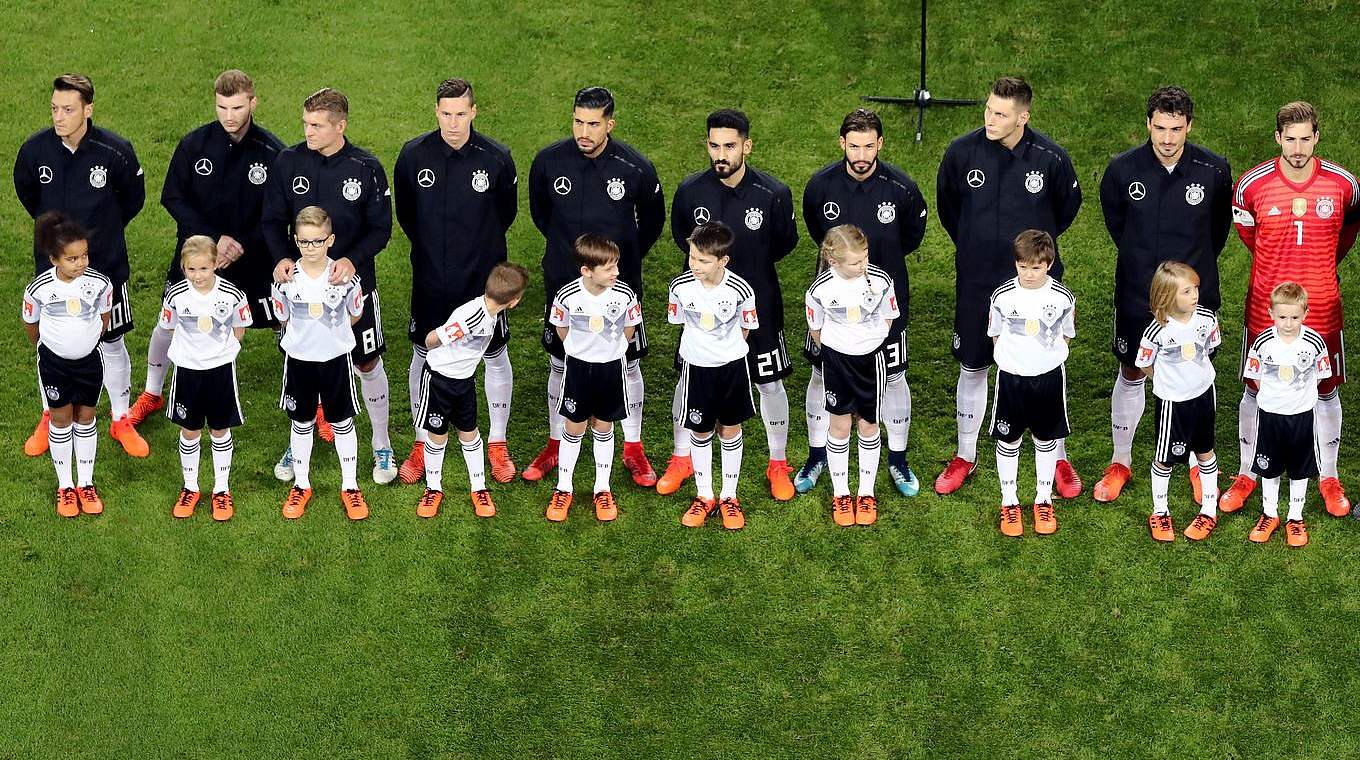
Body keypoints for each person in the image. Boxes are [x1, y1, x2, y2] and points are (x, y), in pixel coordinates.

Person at [934, 76, 1082, 497]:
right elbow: (950, 210)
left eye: (1000, 114)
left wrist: (1034, 260)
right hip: (979, 280)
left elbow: (1065, 211)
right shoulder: (962, 153)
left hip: (1038, 286)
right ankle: (965, 454)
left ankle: (1058, 458)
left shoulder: (1052, 158)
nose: (990, 119)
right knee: (974, 363)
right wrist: (977, 245)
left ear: (1023, 116)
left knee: (1047, 368)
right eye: (988, 110)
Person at [1094, 86, 1232, 503]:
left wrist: (1187, 282)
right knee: (1132, 371)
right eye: (1159, 128)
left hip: (1194, 298)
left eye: (1176, 129)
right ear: (1148, 125)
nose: (1167, 139)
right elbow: (1117, 224)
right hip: (1138, 296)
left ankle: (1195, 462)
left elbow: (1218, 231)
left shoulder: (1214, 170)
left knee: (1193, 371)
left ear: (1189, 125)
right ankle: (1121, 461)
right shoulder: (1122, 170)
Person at [128, 69, 285, 432]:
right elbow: (173, 197)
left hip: (253, 255)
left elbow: (277, 213)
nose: (229, 116)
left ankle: (314, 399)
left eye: (237, 107)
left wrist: (241, 243)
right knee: (168, 320)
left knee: (286, 320)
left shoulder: (273, 152)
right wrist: (215, 239)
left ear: (253, 103)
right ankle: (153, 392)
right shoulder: (194, 145)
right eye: (221, 107)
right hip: (199, 254)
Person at [1223, 101, 1359, 517]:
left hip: (1322, 306)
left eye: (1306, 138)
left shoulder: (1344, 185)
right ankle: (1248, 472)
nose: (1298, 148)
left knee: (1326, 388)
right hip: (1266, 308)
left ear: (1316, 137)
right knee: (1254, 387)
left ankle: (1329, 476)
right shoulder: (1251, 186)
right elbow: (1249, 234)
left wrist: (1317, 267)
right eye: (1290, 139)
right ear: (1277, 138)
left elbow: (1348, 232)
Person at [525, 86, 665, 486]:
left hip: (618, 286)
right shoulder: (549, 162)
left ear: (610, 124)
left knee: (628, 361)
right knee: (559, 358)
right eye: (577, 121)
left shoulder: (635, 168)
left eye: (593, 123)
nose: (583, 131)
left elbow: (651, 224)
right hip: (565, 282)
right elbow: (541, 215)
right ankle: (556, 442)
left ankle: (633, 448)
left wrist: (619, 262)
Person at [260, 87, 396, 485]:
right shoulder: (287, 162)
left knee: (367, 361)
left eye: (317, 125)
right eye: (305, 123)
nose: (308, 131)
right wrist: (282, 259)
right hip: (302, 291)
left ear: (341, 125)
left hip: (353, 287)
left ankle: (382, 445)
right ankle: (299, 436)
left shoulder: (365, 168)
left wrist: (351, 261)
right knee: (304, 361)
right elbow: (270, 221)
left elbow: (381, 229)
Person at [660, 109, 798, 501]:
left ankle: (777, 463)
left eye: (730, 146)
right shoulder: (690, 193)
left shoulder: (773, 194)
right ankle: (682, 457)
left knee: (769, 381)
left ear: (746, 146)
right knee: (688, 382)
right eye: (714, 145)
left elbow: (783, 244)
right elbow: (682, 240)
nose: (721, 154)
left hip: (760, 307)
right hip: (701, 315)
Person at [14, 73, 146, 459]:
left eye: (68, 109)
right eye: (55, 108)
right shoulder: (35, 151)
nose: (59, 116)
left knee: (111, 340)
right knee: (48, 344)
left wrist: (100, 234)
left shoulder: (116, 152)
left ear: (88, 109)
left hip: (105, 268)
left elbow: (131, 201)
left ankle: (121, 418)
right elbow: (29, 195)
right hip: (52, 271)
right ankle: (49, 413)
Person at [394, 77, 518, 486]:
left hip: (483, 283)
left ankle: (496, 443)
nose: (453, 122)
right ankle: (419, 440)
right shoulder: (413, 156)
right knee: (423, 354)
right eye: (446, 114)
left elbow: (506, 214)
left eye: (460, 114)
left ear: (474, 112)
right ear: (436, 112)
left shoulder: (497, 158)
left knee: (494, 353)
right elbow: (408, 216)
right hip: (431, 278)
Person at [799, 107, 928, 497]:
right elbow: (815, 233)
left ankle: (898, 458)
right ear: (842, 143)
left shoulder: (902, 189)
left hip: (884, 310)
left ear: (880, 145)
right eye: (853, 146)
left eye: (868, 146)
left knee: (895, 376)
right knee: (821, 376)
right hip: (833, 312)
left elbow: (911, 238)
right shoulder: (820, 188)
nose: (860, 155)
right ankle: (817, 453)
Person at [269, 207, 369, 521]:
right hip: (299, 361)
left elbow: (356, 315)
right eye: (304, 242)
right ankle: (301, 484)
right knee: (301, 422)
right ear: (295, 241)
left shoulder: (345, 278)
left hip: (336, 360)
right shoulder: (285, 280)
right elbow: (281, 317)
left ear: (331, 240)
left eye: (318, 241)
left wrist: (333, 336)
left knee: (341, 422)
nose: (311, 248)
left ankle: (350, 486)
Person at [415, 262, 530, 519]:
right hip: (438, 381)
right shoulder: (473, 316)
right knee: (437, 436)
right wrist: (438, 345)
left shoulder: (491, 314)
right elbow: (432, 339)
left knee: (469, 433)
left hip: (464, 383)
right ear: (514, 302)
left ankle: (478, 488)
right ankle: (433, 488)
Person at [804, 225, 899, 527]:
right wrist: (838, 349)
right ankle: (842, 493)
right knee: (840, 425)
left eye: (865, 258)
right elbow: (815, 328)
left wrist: (869, 342)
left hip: (872, 360)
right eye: (856, 262)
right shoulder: (819, 291)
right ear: (833, 262)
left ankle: (866, 493)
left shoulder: (881, 281)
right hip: (837, 362)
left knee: (869, 424)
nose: (863, 266)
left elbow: (889, 315)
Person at [544, 234, 643, 523]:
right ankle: (564, 488)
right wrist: (580, 349)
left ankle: (602, 488)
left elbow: (630, 328)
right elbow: (561, 328)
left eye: (617, 266)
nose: (616, 273)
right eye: (609, 268)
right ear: (586, 270)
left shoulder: (624, 295)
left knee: (604, 424)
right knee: (574, 426)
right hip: (578, 369)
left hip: (611, 369)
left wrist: (613, 351)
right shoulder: (567, 296)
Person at [669, 221, 759, 530]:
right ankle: (704, 495)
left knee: (730, 429)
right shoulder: (680, 288)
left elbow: (746, 328)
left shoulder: (741, 290)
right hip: (696, 368)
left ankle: (729, 497)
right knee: (701, 430)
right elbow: (679, 321)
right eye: (693, 257)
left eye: (703, 260)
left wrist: (725, 350)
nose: (695, 265)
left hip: (732, 368)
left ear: (723, 261)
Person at [986, 230, 1075, 537]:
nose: (1029, 273)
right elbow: (995, 334)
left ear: (1048, 264)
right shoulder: (1002, 296)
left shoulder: (1062, 298)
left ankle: (1042, 498)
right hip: (1011, 379)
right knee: (1008, 440)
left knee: (1046, 439)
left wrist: (1043, 360)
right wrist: (1013, 360)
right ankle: (1009, 501)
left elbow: (1066, 334)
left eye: (1036, 267)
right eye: (1023, 266)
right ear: (1016, 264)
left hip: (1049, 378)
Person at [23, 211, 112, 518]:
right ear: (54, 260)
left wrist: (84, 342)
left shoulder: (100, 284)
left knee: (86, 418)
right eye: (72, 259)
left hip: (89, 363)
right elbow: (31, 325)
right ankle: (65, 486)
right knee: (61, 420)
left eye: (84, 256)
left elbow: (104, 318)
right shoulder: (39, 289)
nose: (81, 263)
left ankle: (86, 484)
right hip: (54, 365)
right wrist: (51, 346)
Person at [160, 236, 252, 521]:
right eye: (191, 270)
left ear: (215, 264)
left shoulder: (232, 295)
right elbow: (170, 328)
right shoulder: (175, 296)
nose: (197, 276)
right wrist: (189, 354)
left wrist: (226, 352)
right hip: (187, 372)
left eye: (204, 269)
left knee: (220, 430)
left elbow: (240, 327)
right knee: (190, 430)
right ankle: (190, 487)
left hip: (220, 372)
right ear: (183, 268)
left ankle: (221, 490)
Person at [1134, 262, 1222, 542]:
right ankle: (1160, 511)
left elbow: (1211, 347)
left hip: (1204, 394)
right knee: (1165, 459)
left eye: (1195, 288)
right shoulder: (1156, 331)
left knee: (1206, 450)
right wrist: (1169, 381)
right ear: (1167, 296)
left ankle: (1209, 510)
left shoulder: (1207, 318)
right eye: (1187, 291)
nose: (1195, 294)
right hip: (1174, 402)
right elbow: (1145, 364)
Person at [1243, 282, 1330, 547]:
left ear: (1305, 313)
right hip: (1270, 416)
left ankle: (1295, 517)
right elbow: (1255, 378)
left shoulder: (1314, 342)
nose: (1289, 323)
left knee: (1299, 468)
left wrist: (1297, 399)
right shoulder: (1263, 342)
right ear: (1271, 314)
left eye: (1294, 317)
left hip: (1301, 417)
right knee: (1269, 468)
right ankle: (1270, 514)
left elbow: (1320, 377)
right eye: (1282, 317)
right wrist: (1275, 398)